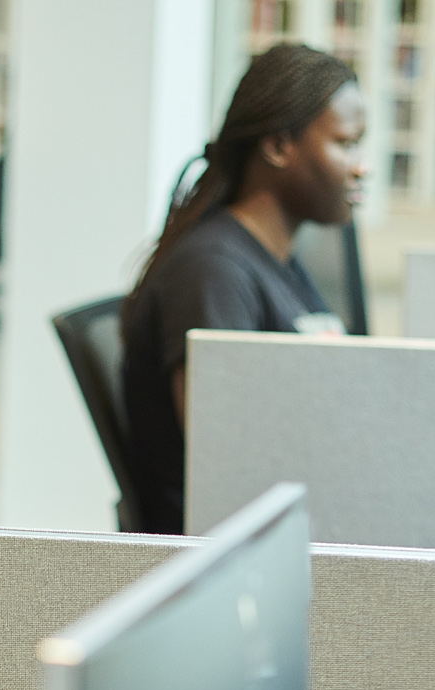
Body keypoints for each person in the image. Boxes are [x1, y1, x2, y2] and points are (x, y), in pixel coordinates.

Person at [121, 44, 366, 534]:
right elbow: (227, 468)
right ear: (278, 146)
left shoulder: (278, 259)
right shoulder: (212, 273)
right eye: (345, 143)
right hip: (228, 558)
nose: (362, 166)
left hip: (297, 524)